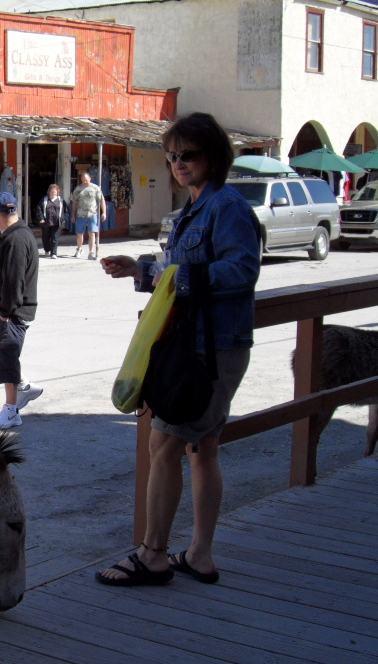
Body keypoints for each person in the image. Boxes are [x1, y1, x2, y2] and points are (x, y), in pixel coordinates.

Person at [96, 112, 260, 587]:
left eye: (188, 155)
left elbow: (242, 271)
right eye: (172, 156)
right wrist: (139, 270)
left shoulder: (225, 206)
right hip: (203, 345)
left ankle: (153, 555)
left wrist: (175, 277)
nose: (178, 163)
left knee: (164, 444)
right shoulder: (196, 207)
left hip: (211, 348)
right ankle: (201, 555)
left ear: (213, 156)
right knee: (202, 447)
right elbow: (176, 272)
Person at [0, 191, 44, 429]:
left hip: (12, 312)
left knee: (6, 357)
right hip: (5, 310)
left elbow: (14, 280)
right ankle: (26, 387)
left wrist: (5, 312)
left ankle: (11, 411)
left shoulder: (16, 239)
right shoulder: (9, 235)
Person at [70, 172, 106, 259]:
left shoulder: (95, 188)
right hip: (80, 214)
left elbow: (101, 201)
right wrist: (73, 214)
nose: (84, 182)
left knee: (92, 233)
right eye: (83, 180)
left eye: (86, 180)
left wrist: (104, 212)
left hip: (92, 214)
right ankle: (79, 248)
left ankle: (91, 252)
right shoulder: (78, 189)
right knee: (79, 233)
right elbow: (74, 202)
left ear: (90, 178)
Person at [36, 183, 67, 258]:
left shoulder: (61, 200)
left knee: (54, 237)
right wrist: (41, 218)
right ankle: (47, 250)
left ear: (57, 192)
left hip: (57, 222)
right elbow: (39, 209)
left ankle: (53, 253)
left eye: (55, 191)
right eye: (52, 191)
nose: (53, 193)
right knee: (45, 237)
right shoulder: (44, 199)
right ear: (49, 192)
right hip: (46, 222)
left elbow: (66, 211)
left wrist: (64, 219)